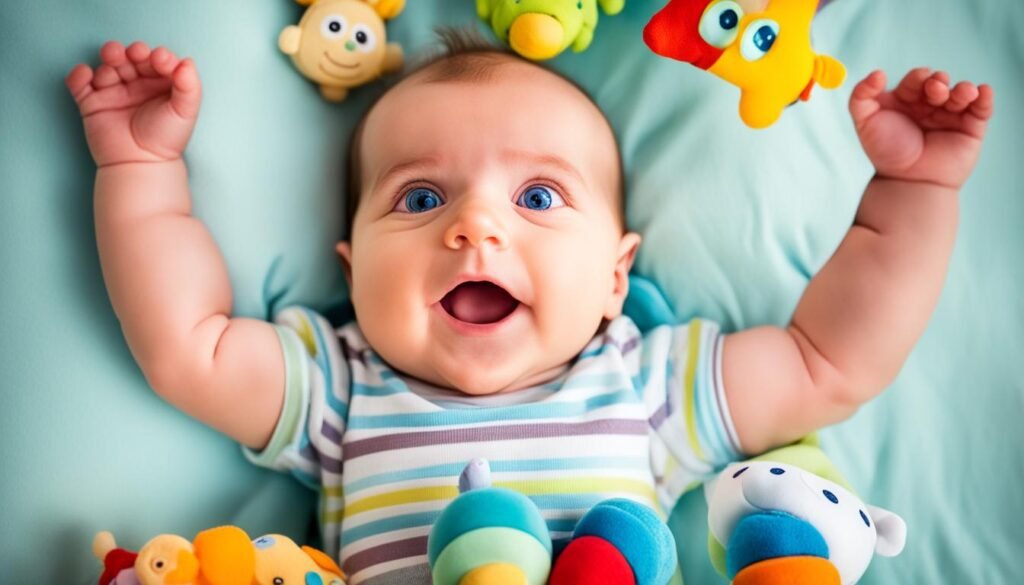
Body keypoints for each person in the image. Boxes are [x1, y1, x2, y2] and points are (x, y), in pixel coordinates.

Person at [65, 29, 993, 584]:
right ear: (351, 273)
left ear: (615, 280)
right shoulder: (338, 384)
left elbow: (833, 361)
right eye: (420, 199)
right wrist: (141, 171)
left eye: (539, 199)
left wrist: (912, 193)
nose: (475, 227)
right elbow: (186, 344)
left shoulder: (644, 381)